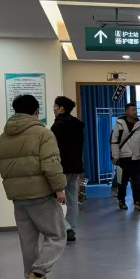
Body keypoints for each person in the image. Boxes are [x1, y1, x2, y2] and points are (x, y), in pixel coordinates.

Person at [0, 94, 67, 279]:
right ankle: (38, 274)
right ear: (36, 111)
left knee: (28, 241)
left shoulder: (4, 136)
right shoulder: (43, 133)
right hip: (40, 194)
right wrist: (59, 188)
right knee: (57, 235)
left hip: (18, 197)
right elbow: (51, 163)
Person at [51, 95, 85, 241]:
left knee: (52, 198)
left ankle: (65, 227)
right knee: (72, 197)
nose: (53, 109)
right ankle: (71, 226)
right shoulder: (78, 125)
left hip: (61, 167)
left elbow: (54, 149)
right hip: (75, 166)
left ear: (61, 109)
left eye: (55, 106)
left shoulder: (57, 126)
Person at [110, 103, 140, 212]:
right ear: (127, 112)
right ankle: (121, 200)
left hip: (136, 159)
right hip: (123, 158)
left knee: (136, 182)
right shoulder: (119, 124)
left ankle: (138, 202)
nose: (135, 112)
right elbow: (114, 141)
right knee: (122, 182)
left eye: (136, 110)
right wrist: (116, 156)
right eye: (133, 110)